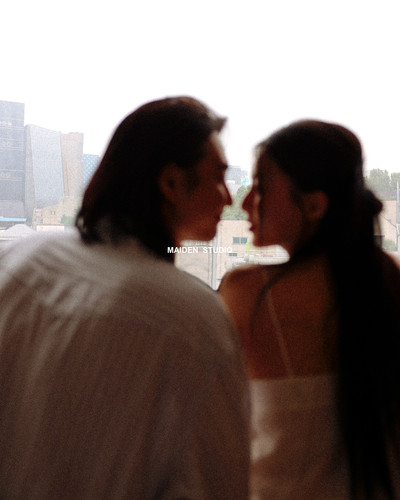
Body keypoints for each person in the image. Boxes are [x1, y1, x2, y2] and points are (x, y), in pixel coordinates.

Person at [0, 96, 250, 499]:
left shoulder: (18, 258)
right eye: (219, 177)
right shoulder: (192, 319)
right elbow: (219, 484)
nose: (229, 197)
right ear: (171, 183)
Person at [219, 119, 400, 499]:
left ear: (315, 205)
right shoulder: (387, 278)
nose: (245, 203)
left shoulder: (247, 292)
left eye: (260, 188)